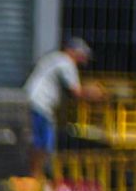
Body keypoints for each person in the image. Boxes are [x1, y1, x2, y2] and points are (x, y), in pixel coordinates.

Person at [23, 37, 100, 178]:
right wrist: (94, 94)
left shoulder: (54, 58)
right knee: (43, 143)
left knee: (39, 142)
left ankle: (35, 175)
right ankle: (35, 176)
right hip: (41, 104)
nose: (83, 59)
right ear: (73, 51)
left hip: (33, 101)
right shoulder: (66, 62)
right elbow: (76, 91)